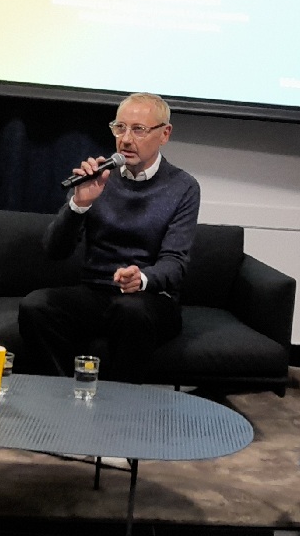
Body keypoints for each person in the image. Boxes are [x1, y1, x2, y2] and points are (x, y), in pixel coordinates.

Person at [17, 93, 200, 383]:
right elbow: (54, 250)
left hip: (150, 299)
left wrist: (141, 278)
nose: (126, 139)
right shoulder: (100, 178)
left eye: (138, 129)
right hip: (96, 293)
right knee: (35, 306)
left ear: (164, 134)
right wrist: (80, 204)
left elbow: (175, 263)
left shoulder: (183, 187)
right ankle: (66, 396)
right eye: (120, 128)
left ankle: (117, 411)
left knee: (131, 311)